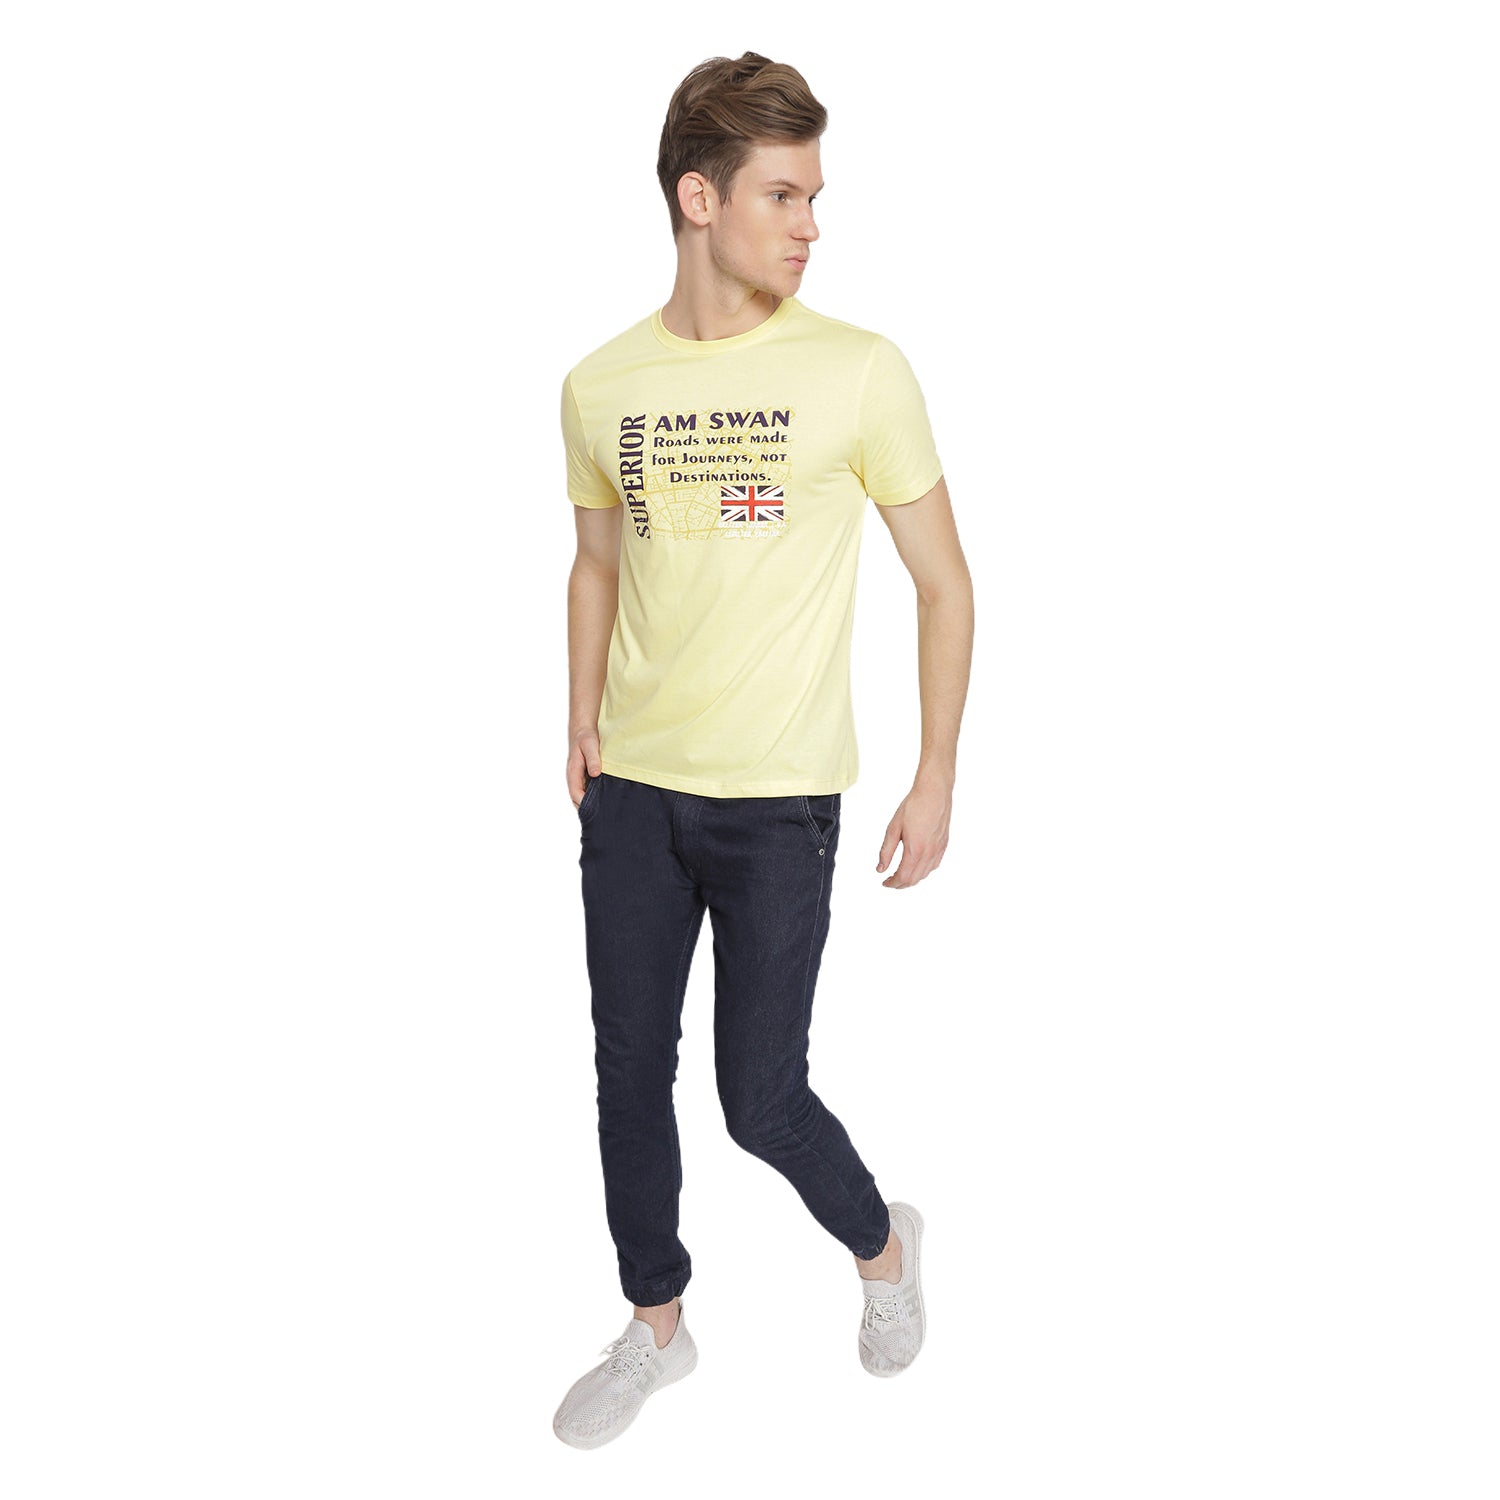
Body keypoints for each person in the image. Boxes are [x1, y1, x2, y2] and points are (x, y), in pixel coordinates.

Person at [552, 51, 974, 1449]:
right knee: (627, 1073)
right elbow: (596, 563)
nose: (810, 224)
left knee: (760, 1096)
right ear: (699, 198)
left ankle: (883, 1247)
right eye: (782, 194)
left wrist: (933, 774)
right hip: (634, 793)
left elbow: (944, 585)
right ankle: (656, 1324)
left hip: (780, 804)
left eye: (814, 194)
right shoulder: (600, 384)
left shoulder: (859, 371)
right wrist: (579, 721)